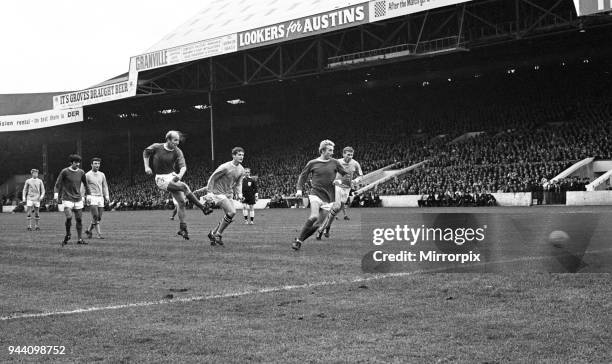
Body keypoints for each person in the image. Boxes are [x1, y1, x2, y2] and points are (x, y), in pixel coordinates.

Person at [143, 130, 213, 240]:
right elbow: (146, 152)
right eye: (175, 140)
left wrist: (180, 175)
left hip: (171, 175)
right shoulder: (157, 147)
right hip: (161, 178)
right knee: (184, 187)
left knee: (182, 202)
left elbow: (183, 167)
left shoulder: (177, 151)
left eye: (178, 140)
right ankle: (203, 207)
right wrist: (146, 166)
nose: (177, 142)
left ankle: (183, 229)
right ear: (168, 140)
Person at [292, 140, 347, 251]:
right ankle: (298, 241)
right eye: (330, 150)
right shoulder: (312, 163)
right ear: (322, 150)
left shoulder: (335, 162)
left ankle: (299, 240)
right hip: (315, 194)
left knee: (318, 225)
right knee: (314, 216)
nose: (332, 152)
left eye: (333, 150)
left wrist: (340, 181)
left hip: (329, 198)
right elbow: (303, 176)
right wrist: (299, 190)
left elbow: (345, 175)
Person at [195, 147, 246, 246]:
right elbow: (212, 178)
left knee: (230, 215)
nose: (241, 157)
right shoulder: (225, 167)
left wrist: (239, 194)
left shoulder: (241, 169)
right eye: (239, 155)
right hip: (217, 193)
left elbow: (239, 183)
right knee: (232, 212)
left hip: (228, 193)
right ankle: (218, 235)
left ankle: (212, 233)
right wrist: (209, 193)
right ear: (233, 155)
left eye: (243, 155)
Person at [317, 146, 363, 239]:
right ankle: (322, 229)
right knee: (337, 206)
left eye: (351, 155)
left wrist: (355, 181)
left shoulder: (355, 163)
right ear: (343, 154)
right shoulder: (337, 162)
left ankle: (326, 228)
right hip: (337, 186)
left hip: (347, 189)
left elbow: (361, 176)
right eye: (348, 154)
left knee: (336, 210)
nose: (350, 156)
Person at [54, 154, 91, 245]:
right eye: (75, 162)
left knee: (79, 220)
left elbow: (86, 185)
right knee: (69, 217)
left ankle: (80, 239)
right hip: (67, 198)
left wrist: (89, 195)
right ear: (71, 162)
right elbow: (57, 184)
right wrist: (56, 195)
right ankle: (68, 234)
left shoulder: (81, 172)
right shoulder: (65, 171)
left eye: (79, 162)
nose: (77, 164)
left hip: (78, 199)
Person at [84, 157, 109, 239]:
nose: (97, 165)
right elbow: (83, 187)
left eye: (98, 163)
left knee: (99, 217)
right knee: (95, 216)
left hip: (100, 197)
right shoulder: (87, 175)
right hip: (92, 197)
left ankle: (88, 230)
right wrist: (85, 197)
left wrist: (107, 196)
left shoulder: (102, 174)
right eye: (95, 163)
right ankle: (99, 234)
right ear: (91, 164)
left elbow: (105, 186)